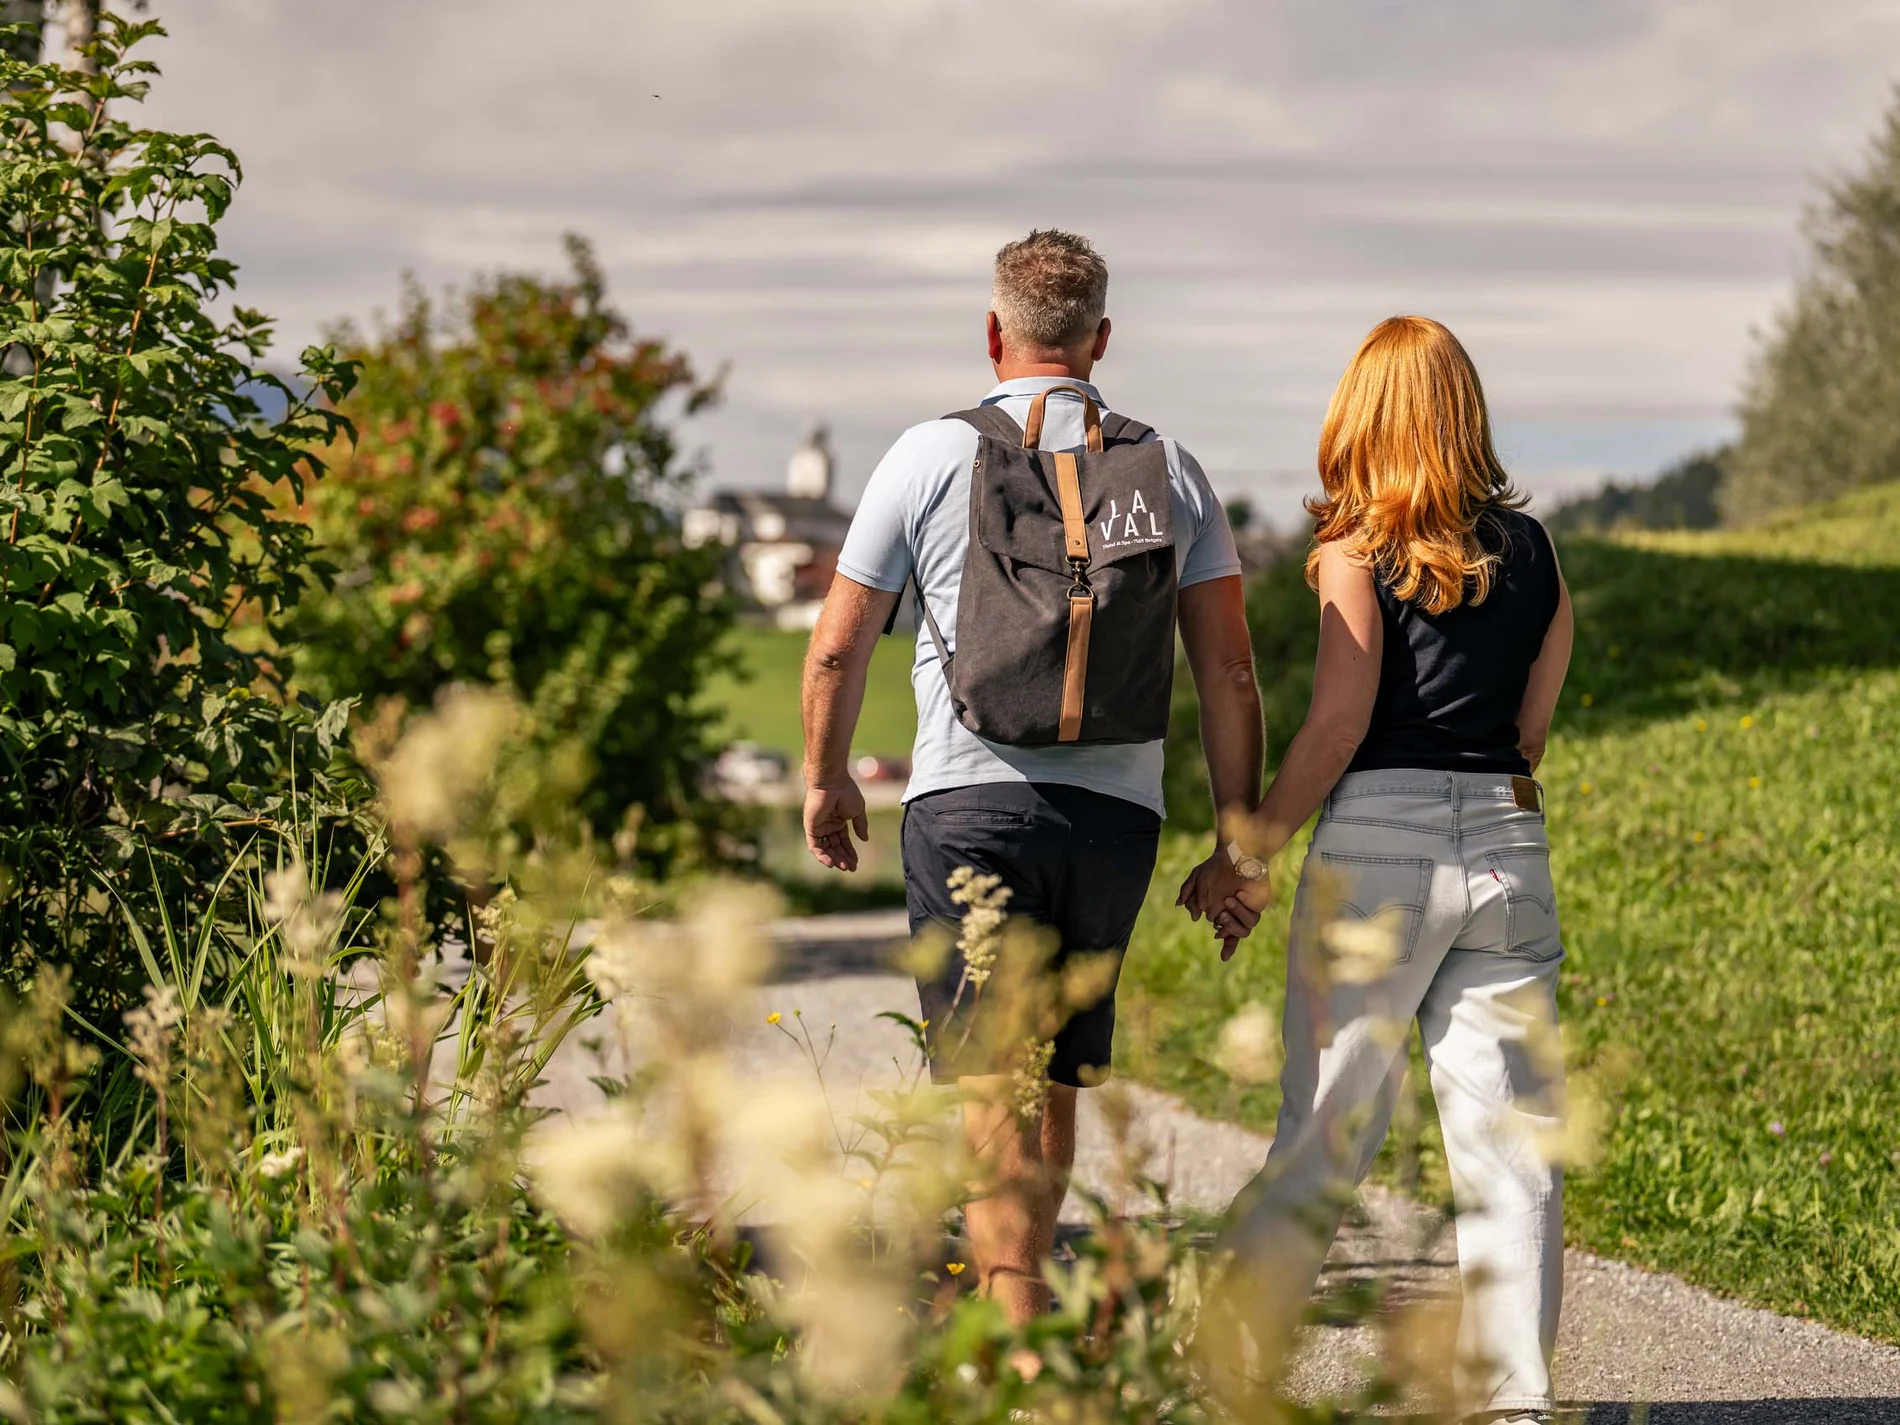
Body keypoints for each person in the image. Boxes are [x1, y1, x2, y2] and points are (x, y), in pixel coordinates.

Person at [801, 229, 1266, 1338]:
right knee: (1051, 1080)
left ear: (994, 332)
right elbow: (1230, 671)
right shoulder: (1174, 470)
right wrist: (1237, 842)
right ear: (1100, 338)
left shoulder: (925, 455)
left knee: (986, 1090)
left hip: (969, 803)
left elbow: (835, 645)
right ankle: (1036, 1336)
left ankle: (1017, 1358)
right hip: (1115, 816)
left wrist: (825, 776)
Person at [1194, 315, 1574, 1424]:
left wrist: (1246, 854)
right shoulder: (1540, 554)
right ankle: (1516, 1406)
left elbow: (1338, 721)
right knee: (1511, 1148)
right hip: (1508, 844)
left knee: (1325, 1132)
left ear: (1362, 416)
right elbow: (1533, 729)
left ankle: (1230, 1379)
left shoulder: (1354, 553)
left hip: (1378, 851)